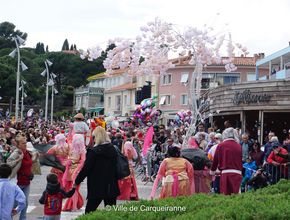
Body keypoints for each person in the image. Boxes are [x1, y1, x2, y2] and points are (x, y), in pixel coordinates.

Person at [74, 126, 120, 214]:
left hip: (96, 186)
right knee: (111, 214)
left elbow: (86, 169)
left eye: (94, 137)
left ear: (96, 137)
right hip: (111, 185)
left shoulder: (93, 152)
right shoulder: (113, 149)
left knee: (89, 212)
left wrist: (77, 181)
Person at [7, 133, 33, 220]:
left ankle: (22, 219)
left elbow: (29, 165)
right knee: (14, 203)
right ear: (18, 145)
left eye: (25, 143)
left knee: (25, 203)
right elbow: (8, 164)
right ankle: (8, 217)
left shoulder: (28, 153)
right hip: (17, 182)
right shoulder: (16, 153)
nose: (25, 144)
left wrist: (31, 172)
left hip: (26, 182)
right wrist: (19, 159)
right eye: (23, 143)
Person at [210, 127, 243, 195]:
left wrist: (212, 171)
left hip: (225, 174)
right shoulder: (239, 146)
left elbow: (215, 160)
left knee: (225, 196)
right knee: (236, 196)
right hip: (237, 173)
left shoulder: (221, 145)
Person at [62, 134, 86, 211]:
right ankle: (74, 205)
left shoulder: (80, 150)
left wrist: (77, 169)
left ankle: (74, 205)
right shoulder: (73, 148)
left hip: (75, 171)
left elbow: (82, 161)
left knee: (73, 188)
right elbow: (81, 161)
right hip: (71, 170)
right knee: (73, 188)